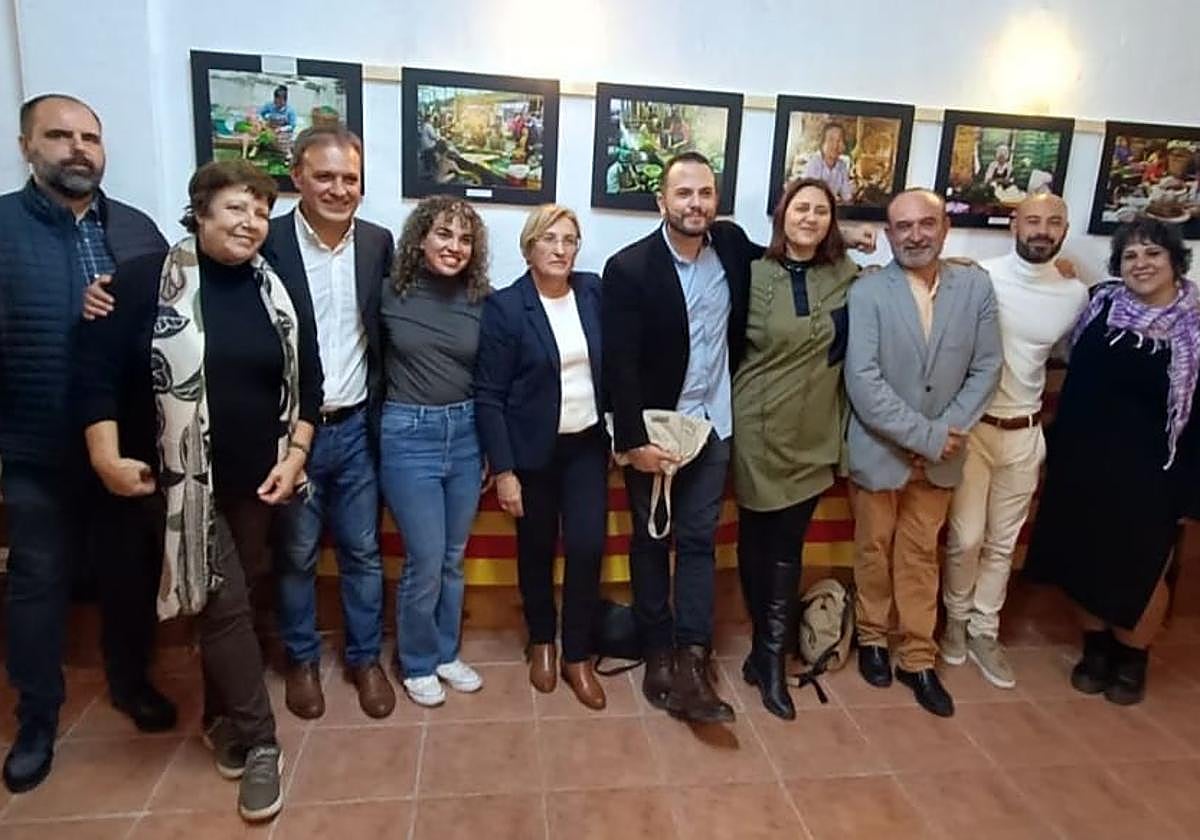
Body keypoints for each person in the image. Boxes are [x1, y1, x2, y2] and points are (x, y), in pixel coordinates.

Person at [78, 159, 322, 821]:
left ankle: (222, 720)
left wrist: (296, 456)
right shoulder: (140, 284)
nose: (251, 223)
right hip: (179, 483)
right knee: (223, 603)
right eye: (236, 208)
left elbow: (311, 387)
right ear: (200, 211)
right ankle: (263, 742)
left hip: (258, 482)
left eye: (260, 211)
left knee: (232, 602)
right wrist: (104, 453)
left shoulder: (275, 289)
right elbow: (95, 374)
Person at [0, 94, 172, 793]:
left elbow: (170, 324)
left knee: (129, 578)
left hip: (128, 448)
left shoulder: (135, 230)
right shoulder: (3, 228)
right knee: (39, 582)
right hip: (38, 443)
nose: (78, 149)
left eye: (90, 138)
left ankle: (132, 683)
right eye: (60, 136)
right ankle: (38, 716)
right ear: (25, 145)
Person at [602, 151, 761, 724]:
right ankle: (656, 651)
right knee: (651, 541)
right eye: (685, 194)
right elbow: (618, 366)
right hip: (656, 430)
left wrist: (858, 248)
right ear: (662, 202)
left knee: (698, 542)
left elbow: (794, 258)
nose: (696, 204)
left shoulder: (734, 248)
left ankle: (694, 655)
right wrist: (631, 442)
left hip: (713, 425)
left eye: (706, 193)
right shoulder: (630, 269)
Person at [1024, 216, 1200, 706]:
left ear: (1175, 261)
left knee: (1142, 572)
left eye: (1152, 254)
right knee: (1085, 561)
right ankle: (1095, 650)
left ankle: (1132, 658)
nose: (1141, 264)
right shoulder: (1100, 304)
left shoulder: (1194, 326)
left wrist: (1191, 490)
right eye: (1131, 255)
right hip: (1084, 461)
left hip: (1154, 475)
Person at [844, 188, 1002, 718]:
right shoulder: (867, 292)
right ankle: (870, 638)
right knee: (872, 549)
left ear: (943, 228)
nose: (915, 235)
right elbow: (863, 380)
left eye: (925, 224)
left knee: (919, 555)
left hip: (944, 452)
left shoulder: (975, 286)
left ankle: (917, 655)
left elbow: (986, 368)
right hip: (881, 449)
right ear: (888, 234)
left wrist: (945, 434)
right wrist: (925, 437)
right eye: (903, 226)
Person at [262, 126, 395, 721]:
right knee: (296, 554)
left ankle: (365, 659)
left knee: (364, 552)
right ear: (297, 178)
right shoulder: (267, 241)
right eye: (325, 176)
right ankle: (301, 659)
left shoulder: (377, 242)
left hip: (358, 427)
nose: (339, 189)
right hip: (293, 434)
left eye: (350, 178)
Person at [941, 194, 1087, 689]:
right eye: (1032, 221)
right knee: (966, 539)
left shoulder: (1075, 295)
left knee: (1003, 545)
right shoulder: (978, 277)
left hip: (1026, 433)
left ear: (1064, 231)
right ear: (1013, 226)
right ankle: (955, 624)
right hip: (974, 430)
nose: (1042, 231)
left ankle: (985, 630)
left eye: (1053, 223)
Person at [731, 178, 859, 719]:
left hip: (816, 432)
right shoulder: (750, 270)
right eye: (800, 208)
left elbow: (915, 278)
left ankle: (769, 656)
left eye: (822, 211)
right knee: (755, 537)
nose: (809, 218)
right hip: (757, 426)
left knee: (787, 545)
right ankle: (768, 655)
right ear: (781, 215)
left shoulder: (850, 277)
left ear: (833, 221)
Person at [475, 205, 607, 710]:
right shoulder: (507, 307)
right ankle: (543, 642)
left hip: (586, 447)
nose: (559, 249)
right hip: (531, 453)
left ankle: (578, 653)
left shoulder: (593, 293)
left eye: (569, 240)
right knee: (535, 550)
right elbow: (488, 394)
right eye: (549, 239)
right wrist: (504, 470)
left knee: (588, 547)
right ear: (529, 246)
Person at [380, 195, 490, 707]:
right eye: (444, 234)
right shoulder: (387, 293)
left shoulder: (479, 298)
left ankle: (446, 653)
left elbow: (490, 379)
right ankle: (417, 661)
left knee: (451, 558)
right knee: (424, 559)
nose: (454, 247)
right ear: (420, 238)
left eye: (465, 239)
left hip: (466, 433)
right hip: (408, 434)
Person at [803, 122, 854, 204]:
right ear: (822, 143)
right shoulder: (814, 163)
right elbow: (812, 194)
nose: (835, 145)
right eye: (831, 139)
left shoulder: (842, 165)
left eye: (839, 140)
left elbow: (847, 196)